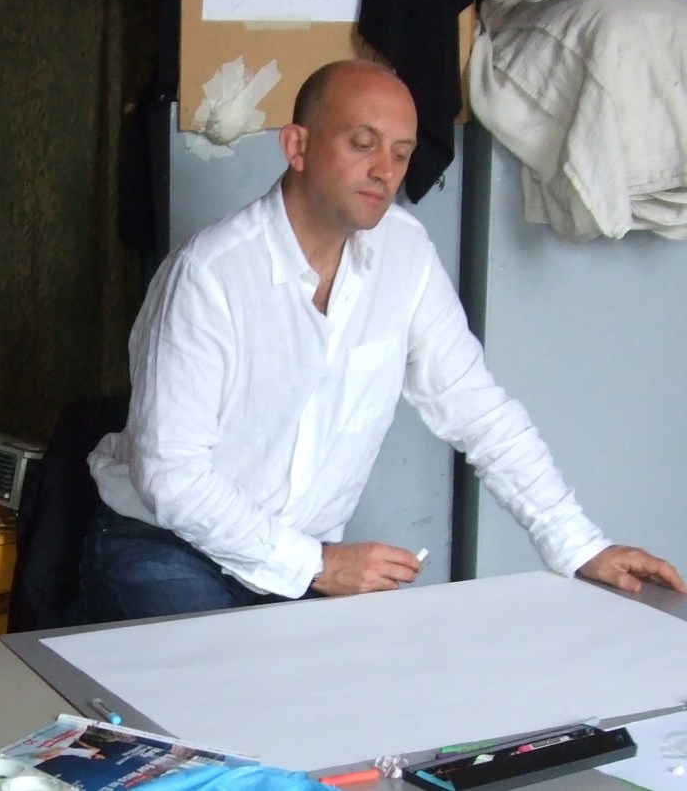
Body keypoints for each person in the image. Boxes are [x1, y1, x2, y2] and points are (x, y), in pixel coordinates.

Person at [80, 59, 686, 622]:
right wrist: (318, 566)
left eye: (400, 154)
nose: (385, 171)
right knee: (223, 687)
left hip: (303, 561)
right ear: (297, 146)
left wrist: (580, 545)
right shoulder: (210, 274)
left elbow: (478, 412)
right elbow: (173, 477)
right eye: (362, 144)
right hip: (168, 547)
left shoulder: (405, 252)